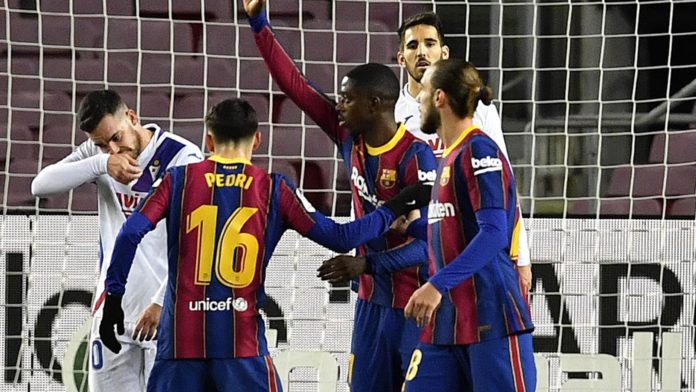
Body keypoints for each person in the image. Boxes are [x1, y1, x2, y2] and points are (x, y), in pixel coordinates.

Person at [98, 98, 430, 392]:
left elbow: (130, 233)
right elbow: (341, 237)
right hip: (241, 346)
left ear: (208, 140)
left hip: (180, 347)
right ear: (258, 140)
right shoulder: (274, 189)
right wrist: (395, 206)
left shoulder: (178, 180)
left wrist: (114, 298)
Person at [242, 1, 438, 390]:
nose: (339, 106)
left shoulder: (417, 157)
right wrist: (259, 23)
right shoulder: (349, 134)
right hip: (370, 302)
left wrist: (366, 265)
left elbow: (430, 245)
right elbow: (295, 86)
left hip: (413, 303)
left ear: (375, 104)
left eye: (347, 99)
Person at [31, 90, 203, 391]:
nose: (112, 150)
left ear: (132, 118)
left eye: (116, 138)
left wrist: (162, 301)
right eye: (101, 144)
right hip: (113, 310)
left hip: (165, 314)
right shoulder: (99, 157)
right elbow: (40, 185)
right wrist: (100, 165)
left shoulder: (182, 156)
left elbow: (196, 240)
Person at [402, 59, 536, 391]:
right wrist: (408, 228)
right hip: (447, 323)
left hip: (492, 319)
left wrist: (436, 285)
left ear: (440, 98)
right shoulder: (447, 155)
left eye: (424, 93)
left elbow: (493, 234)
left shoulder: (479, 150)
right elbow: (455, 229)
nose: (418, 101)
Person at [395, 12, 533, 292]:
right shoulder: (390, 114)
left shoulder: (479, 111)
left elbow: (505, 186)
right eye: (413, 45)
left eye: (430, 43)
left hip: (470, 245)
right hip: (408, 256)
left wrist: (522, 257)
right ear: (401, 58)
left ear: (443, 52)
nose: (422, 52)